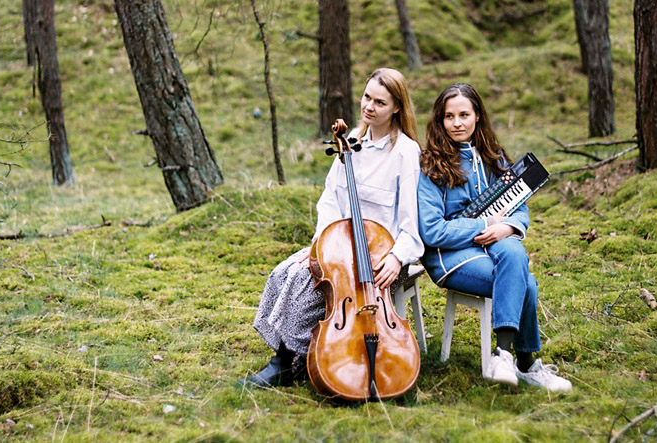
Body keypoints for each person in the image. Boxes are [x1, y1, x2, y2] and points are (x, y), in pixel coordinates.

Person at [241, 68, 424, 388]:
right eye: (367, 97)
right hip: (340, 244)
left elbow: (412, 222)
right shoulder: (350, 142)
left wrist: (397, 257)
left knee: (305, 281)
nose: (369, 106)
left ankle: (286, 361)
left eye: (380, 102)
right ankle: (290, 355)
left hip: (383, 256)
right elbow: (330, 202)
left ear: (397, 107)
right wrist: (320, 247)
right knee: (288, 270)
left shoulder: (406, 152)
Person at [416, 83, 572, 392]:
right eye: (449, 116)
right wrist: (482, 225)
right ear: (439, 120)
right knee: (524, 282)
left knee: (514, 252)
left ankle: (502, 355)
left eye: (464, 114)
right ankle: (525, 363)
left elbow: (519, 208)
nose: (457, 123)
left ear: (477, 116)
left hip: (495, 247)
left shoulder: (494, 157)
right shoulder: (431, 165)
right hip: (449, 257)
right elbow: (432, 230)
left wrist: (509, 228)